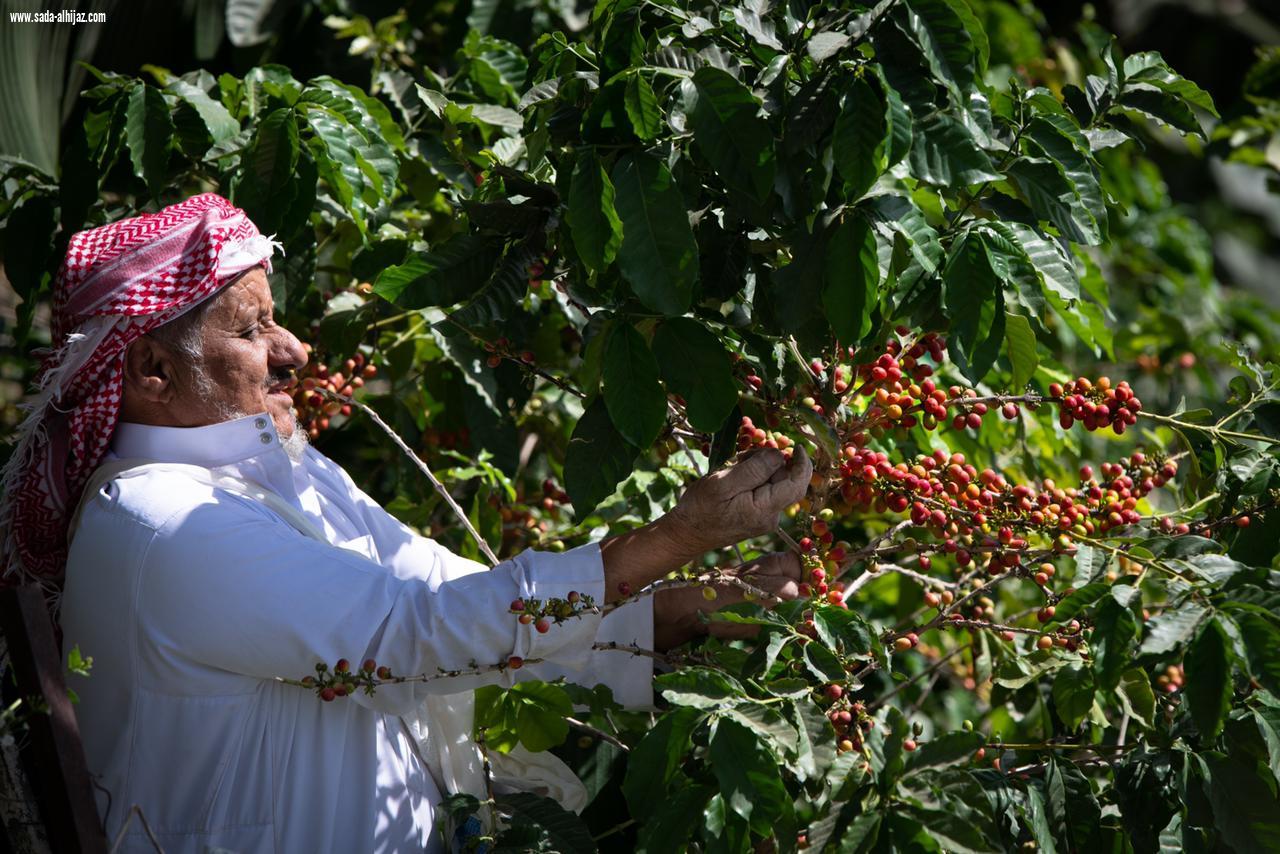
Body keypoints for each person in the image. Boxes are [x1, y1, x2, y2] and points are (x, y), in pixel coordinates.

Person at [0, 193, 812, 852]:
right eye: (251, 331)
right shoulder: (164, 525)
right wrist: (682, 534)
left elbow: (453, 594)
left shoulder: (283, 470)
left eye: (274, 319)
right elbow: (417, 633)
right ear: (150, 368)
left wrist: (686, 607)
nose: (296, 350)